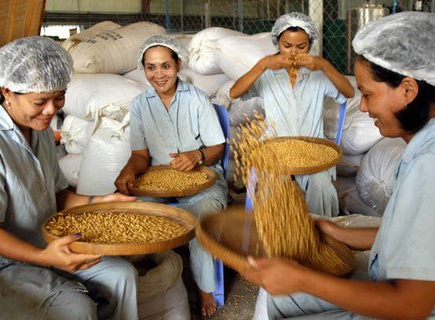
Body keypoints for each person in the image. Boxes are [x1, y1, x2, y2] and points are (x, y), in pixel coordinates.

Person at [242, 11, 435, 319]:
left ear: (408, 91)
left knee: (286, 293)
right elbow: (410, 234)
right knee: (275, 298)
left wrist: (302, 278)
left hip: (402, 308)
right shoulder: (420, 147)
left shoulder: (429, 165)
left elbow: (412, 305)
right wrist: (339, 232)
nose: (364, 106)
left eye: (368, 94)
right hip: (387, 285)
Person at [0, 36, 139, 319]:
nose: (51, 110)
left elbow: (58, 195)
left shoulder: (40, 131)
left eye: (58, 97)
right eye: (40, 101)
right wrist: (42, 257)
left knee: (122, 275)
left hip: (48, 242)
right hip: (5, 262)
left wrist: (102, 201)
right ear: (7, 92)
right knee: (75, 307)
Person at [114, 34, 228, 317]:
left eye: (165, 66)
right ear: (144, 70)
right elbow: (140, 156)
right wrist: (128, 170)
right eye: (151, 67)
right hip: (157, 181)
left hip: (203, 178)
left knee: (204, 220)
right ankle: (138, 277)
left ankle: (204, 289)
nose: (159, 74)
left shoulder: (197, 98)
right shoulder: (141, 104)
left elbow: (217, 147)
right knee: (132, 213)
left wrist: (197, 156)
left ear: (178, 65)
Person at [228, 12, 354, 217]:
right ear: (277, 43)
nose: (293, 53)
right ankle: (278, 237)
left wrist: (325, 65)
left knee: (321, 184)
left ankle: (321, 234)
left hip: (312, 150)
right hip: (275, 150)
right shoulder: (267, 73)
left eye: (301, 47)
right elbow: (234, 93)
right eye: (287, 46)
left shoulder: (318, 74)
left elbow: (348, 93)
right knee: (274, 185)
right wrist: (262, 65)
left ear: (310, 45)